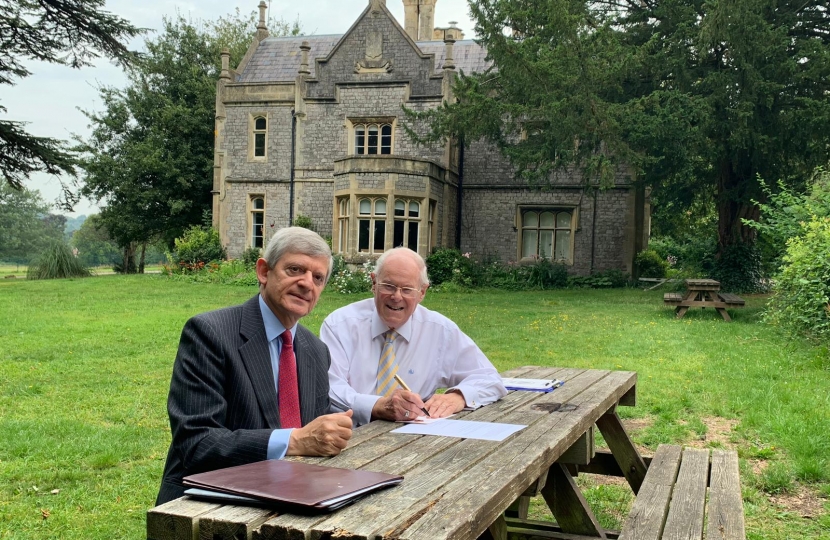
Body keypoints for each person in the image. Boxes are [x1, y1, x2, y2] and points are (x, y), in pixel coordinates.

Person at [156, 227, 353, 505]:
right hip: (211, 502)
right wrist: (294, 440)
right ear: (263, 272)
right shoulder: (209, 333)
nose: (307, 283)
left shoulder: (316, 351)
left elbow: (315, 439)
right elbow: (197, 443)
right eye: (295, 269)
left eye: (318, 278)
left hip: (293, 497)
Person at [321, 247, 506, 426]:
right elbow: (328, 388)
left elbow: (490, 379)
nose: (396, 296)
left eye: (407, 289)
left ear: (422, 292)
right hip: (349, 437)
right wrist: (378, 406)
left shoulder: (440, 331)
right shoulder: (340, 326)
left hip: (413, 442)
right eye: (389, 286)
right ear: (374, 283)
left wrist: (458, 397)